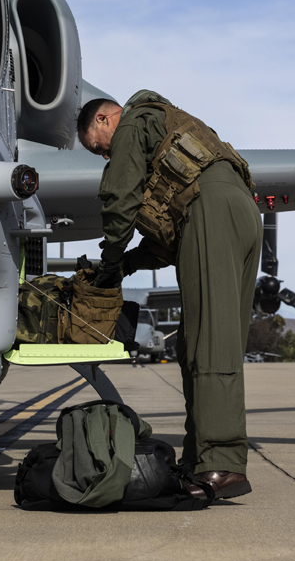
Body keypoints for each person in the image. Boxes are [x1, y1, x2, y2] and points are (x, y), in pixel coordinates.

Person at [77, 89, 263, 500]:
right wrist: (128, 264)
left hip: (211, 212)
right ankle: (202, 460)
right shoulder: (166, 126)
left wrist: (110, 259)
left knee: (207, 344)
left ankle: (221, 464)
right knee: (215, 343)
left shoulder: (131, 121)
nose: (104, 156)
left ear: (107, 119)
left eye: (97, 147)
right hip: (243, 212)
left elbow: (120, 196)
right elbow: (164, 243)